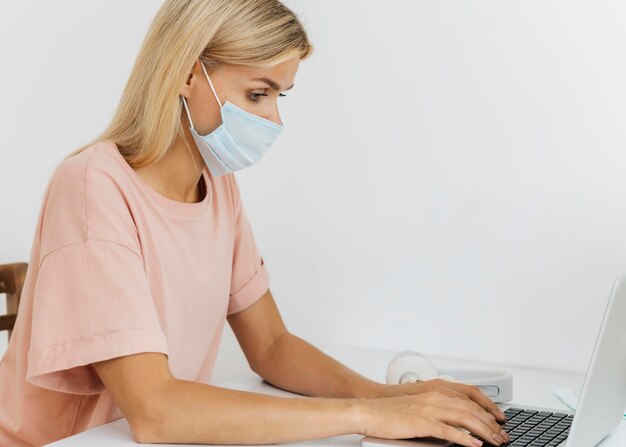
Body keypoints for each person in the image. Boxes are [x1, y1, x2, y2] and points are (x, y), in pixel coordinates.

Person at [0, 1, 510, 446]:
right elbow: (156, 410)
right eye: (257, 94)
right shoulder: (92, 185)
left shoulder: (217, 185)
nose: (273, 121)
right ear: (187, 72)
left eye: (280, 97)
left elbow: (270, 347)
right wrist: (368, 415)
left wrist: (393, 397)